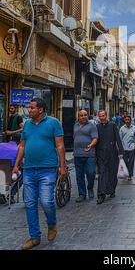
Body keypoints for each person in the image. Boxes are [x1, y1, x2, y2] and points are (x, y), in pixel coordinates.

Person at [12, 98, 66, 250]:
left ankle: (52, 224)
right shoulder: (27, 125)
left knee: (46, 202)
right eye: (29, 107)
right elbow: (22, 146)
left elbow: (60, 146)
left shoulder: (53, 122)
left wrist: (62, 167)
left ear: (40, 110)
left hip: (47, 169)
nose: (29, 110)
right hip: (29, 169)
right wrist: (16, 164)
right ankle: (34, 237)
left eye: (31, 107)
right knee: (29, 204)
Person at [96, 110, 124, 204]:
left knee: (112, 173)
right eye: (100, 116)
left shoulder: (112, 125)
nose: (102, 118)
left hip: (112, 153)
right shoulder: (97, 127)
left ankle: (111, 190)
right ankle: (101, 194)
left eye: (103, 116)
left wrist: (121, 151)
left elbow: (118, 138)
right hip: (101, 154)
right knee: (102, 173)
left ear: (106, 116)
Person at [73, 110, 98, 202]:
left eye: (85, 115)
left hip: (89, 154)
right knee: (79, 176)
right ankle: (82, 194)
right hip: (77, 154)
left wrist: (91, 145)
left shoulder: (92, 126)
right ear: (78, 117)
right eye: (81, 115)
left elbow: (95, 138)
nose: (83, 117)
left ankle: (90, 188)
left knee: (91, 173)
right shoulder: (75, 125)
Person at [119, 115, 135, 181]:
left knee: (131, 162)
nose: (127, 121)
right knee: (125, 162)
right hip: (124, 148)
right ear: (124, 120)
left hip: (132, 147)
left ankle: (130, 175)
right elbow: (120, 138)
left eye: (128, 119)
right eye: (126, 120)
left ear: (131, 120)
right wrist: (119, 148)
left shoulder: (134, 128)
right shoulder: (122, 128)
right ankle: (126, 172)